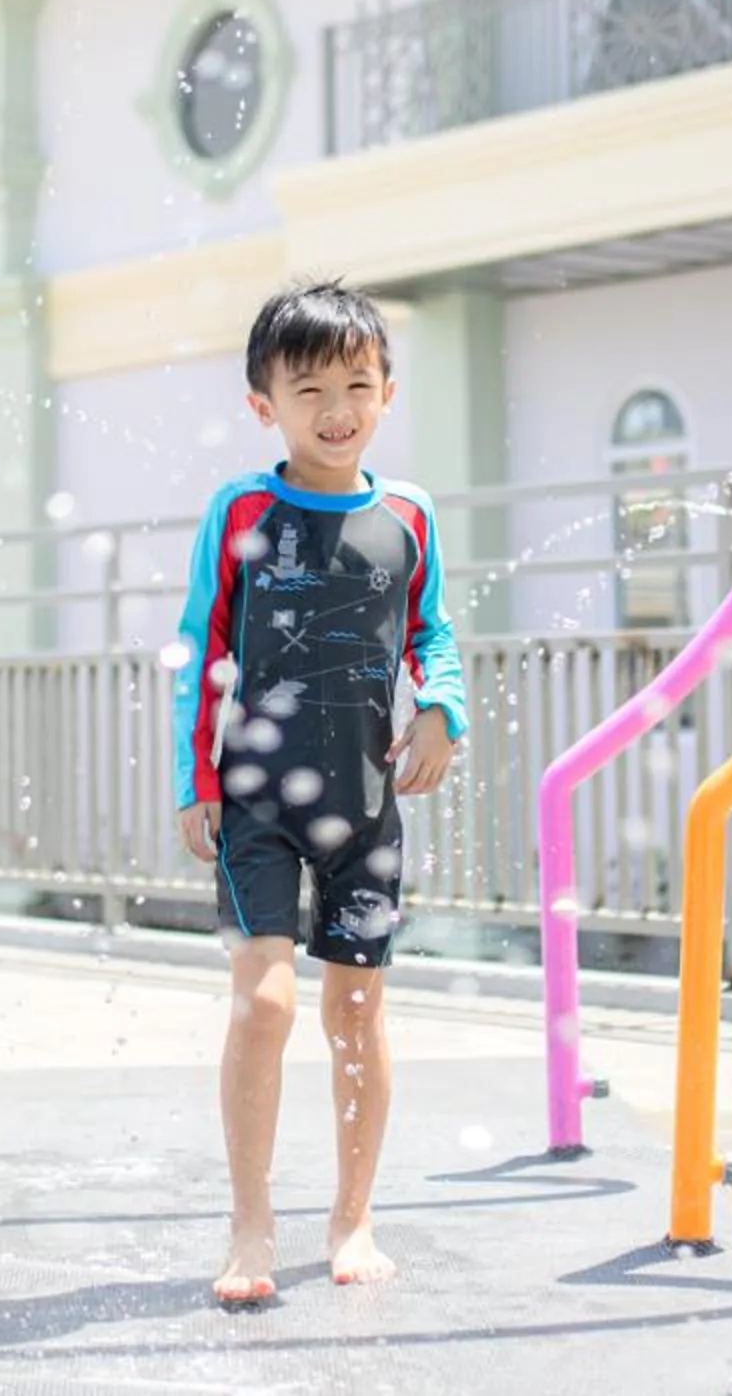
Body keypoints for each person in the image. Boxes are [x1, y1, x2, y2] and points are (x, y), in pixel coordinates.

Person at [171, 278, 467, 1308]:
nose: (336, 407)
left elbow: (433, 634)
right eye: (310, 390)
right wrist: (192, 781)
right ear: (266, 405)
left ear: (388, 390)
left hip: (366, 806)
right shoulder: (245, 509)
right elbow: (201, 642)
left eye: (357, 383)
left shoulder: (409, 515)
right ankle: (251, 1222)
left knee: (356, 1007)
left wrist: (443, 711)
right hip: (256, 799)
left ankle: (352, 1214)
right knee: (264, 1002)